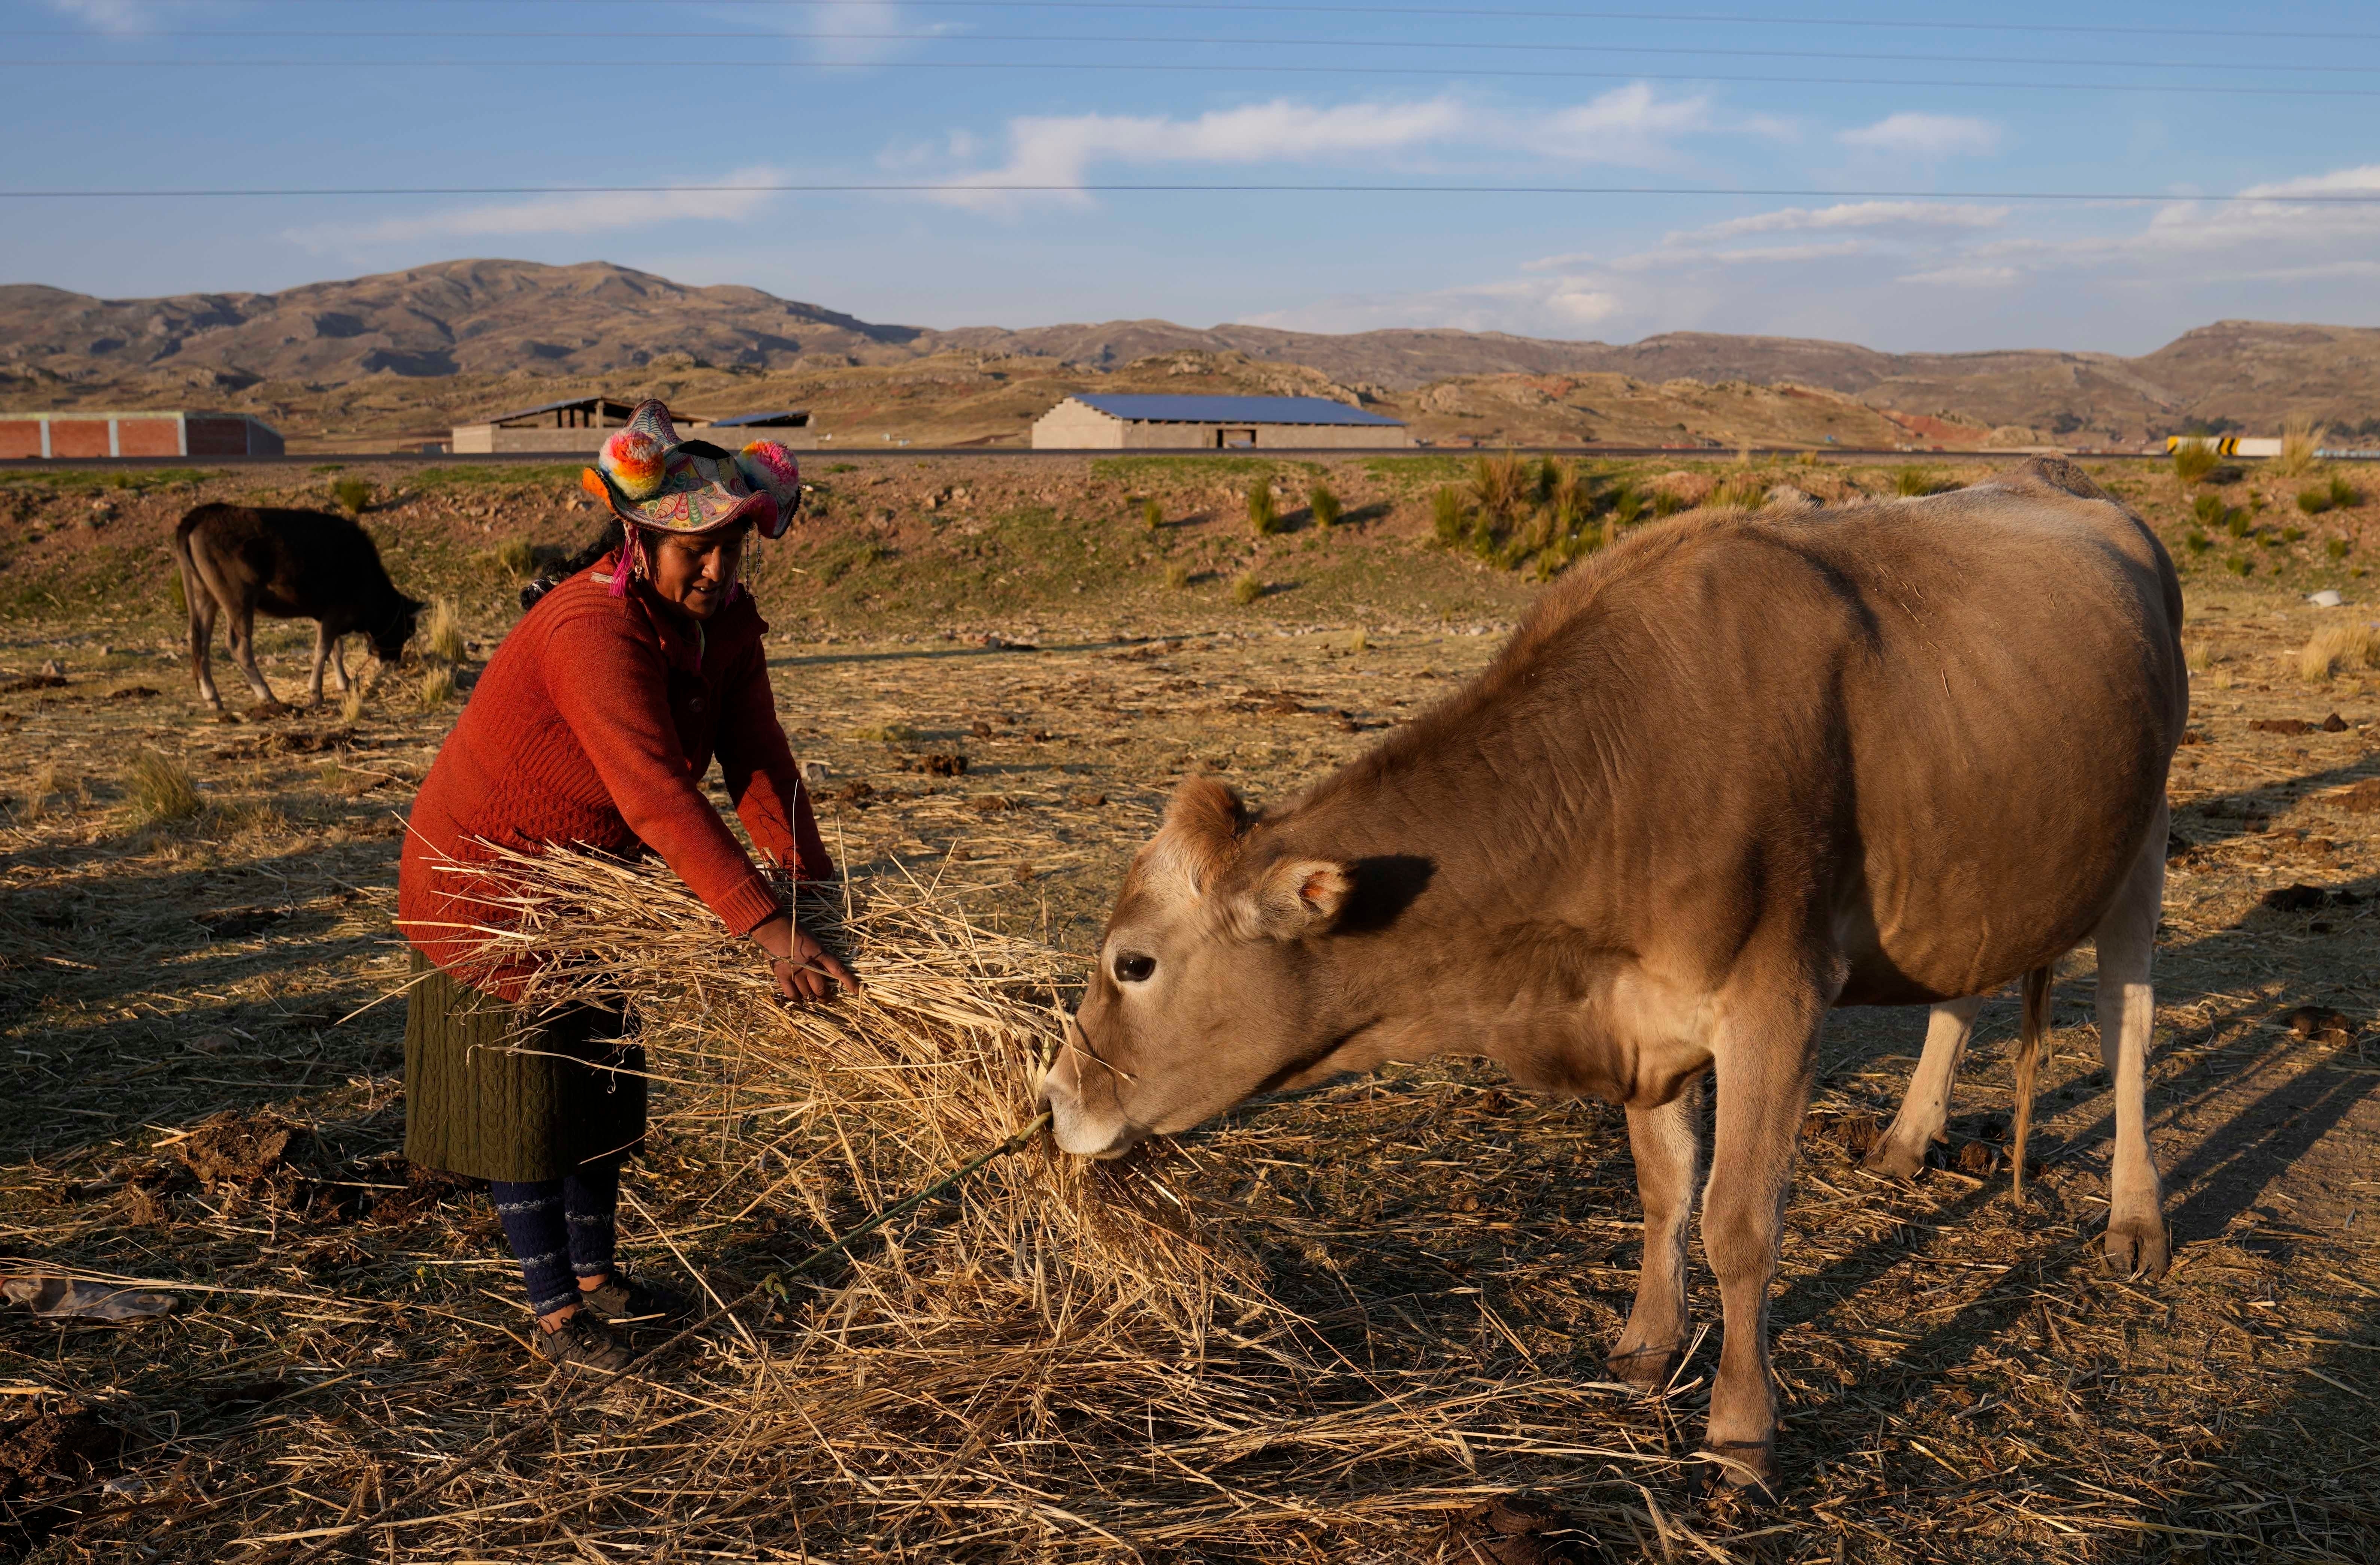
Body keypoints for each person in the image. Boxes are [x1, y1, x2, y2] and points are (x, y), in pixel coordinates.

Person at [397, 399, 857, 1376]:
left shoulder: (727, 626)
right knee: (522, 1105)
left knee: (598, 1090)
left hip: (598, 887)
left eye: (733, 548)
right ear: (637, 538)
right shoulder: (590, 630)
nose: (718, 571)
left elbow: (759, 758)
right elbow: (654, 793)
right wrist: (764, 928)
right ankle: (557, 1316)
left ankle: (600, 1278)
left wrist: (813, 895)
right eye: (693, 550)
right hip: (494, 876)